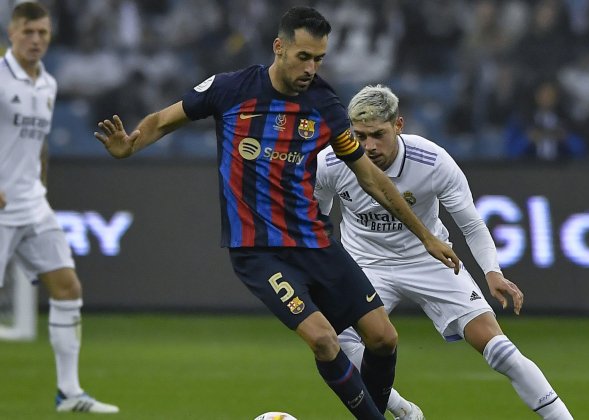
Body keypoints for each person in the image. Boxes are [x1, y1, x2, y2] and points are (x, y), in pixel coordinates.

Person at [93, 6, 460, 419]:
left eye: (319, 58)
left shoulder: (324, 102)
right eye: (304, 56)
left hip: (315, 241)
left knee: (383, 338)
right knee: (324, 340)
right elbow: (163, 120)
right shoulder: (231, 89)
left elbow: (370, 178)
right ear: (279, 47)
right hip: (258, 250)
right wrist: (130, 145)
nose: (311, 67)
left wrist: (426, 236)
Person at [315, 84, 574, 420]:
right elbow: (317, 221)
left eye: (377, 134)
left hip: (430, 260)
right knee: (332, 341)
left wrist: (492, 272)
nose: (368, 146)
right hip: (365, 264)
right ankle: (404, 411)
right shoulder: (331, 161)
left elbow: (472, 224)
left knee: (498, 348)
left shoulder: (432, 161)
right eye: (360, 136)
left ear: (399, 125)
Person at [0, 2, 118, 414]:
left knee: (68, 287)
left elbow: (42, 145)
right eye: (28, 32)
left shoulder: (47, 84)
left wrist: (41, 188)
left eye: (43, 34)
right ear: (11, 33)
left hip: (32, 204)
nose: (36, 40)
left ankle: (69, 392)